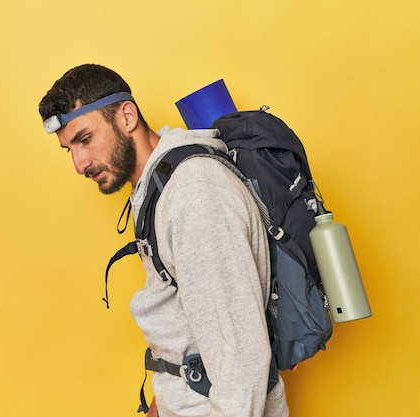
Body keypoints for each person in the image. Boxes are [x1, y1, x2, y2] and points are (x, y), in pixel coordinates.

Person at [38, 64, 289, 417]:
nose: (79, 164)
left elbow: (242, 361)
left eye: (85, 139)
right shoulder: (159, 187)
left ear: (126, 116)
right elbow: (184, 330)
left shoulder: (194, 194)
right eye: (69, 149)